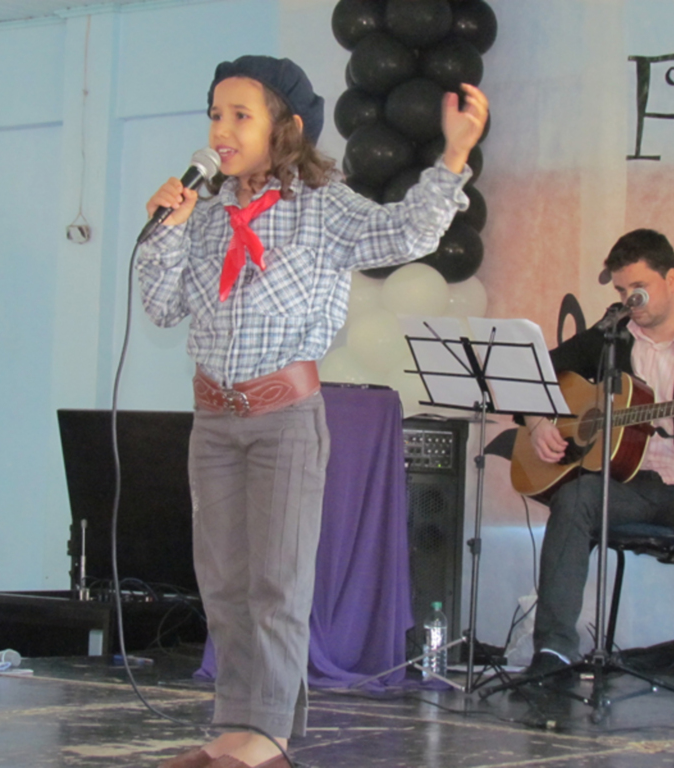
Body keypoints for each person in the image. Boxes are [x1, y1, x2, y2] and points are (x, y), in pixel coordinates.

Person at [137, 56, 488, 768]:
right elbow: (160, 305)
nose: (223, 130)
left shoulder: (324, 207)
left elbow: (408, 234)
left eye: (241, 115)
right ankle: (233, 727)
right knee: (225, 584)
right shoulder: (203, 215)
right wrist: (168, 227)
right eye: (215, 114)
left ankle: (265, 738)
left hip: (284, 418)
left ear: (286, 129)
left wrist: (454, 153)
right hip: (214, 420)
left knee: (276, 581)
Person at [522, 229, 674, 698]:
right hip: (623, 484)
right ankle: (553, 652)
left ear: (672, 279)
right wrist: (536, 422)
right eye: (623, 292)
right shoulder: (612, 338)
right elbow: (534, 374)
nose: (632, 301)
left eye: (640, 290)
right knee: (572, 501)